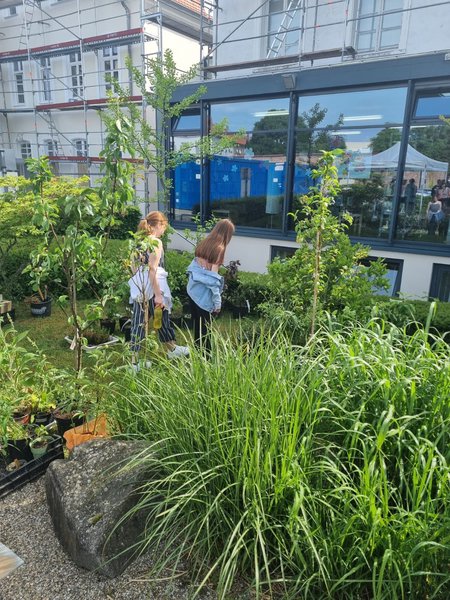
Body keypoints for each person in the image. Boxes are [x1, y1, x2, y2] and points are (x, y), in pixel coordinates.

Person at [129, 211, 189, 367]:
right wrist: (158, 295)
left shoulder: (138, 241)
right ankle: (135, 364)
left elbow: (133, 268)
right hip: (154, 287)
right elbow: (152, 269)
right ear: (159, 225)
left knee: (148, 321)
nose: (164, 231)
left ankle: (170, 349)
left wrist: (139, 284)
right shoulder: (156, 242)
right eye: (164, 227)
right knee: (152, 319)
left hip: (140, 287)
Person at [186, 219, 235, 349]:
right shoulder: (219, 249)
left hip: (193, 291)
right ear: (227, 235)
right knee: (206, 331)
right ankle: (205, 362)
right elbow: (213, 281)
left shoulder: (204, 243)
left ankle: (197, 355)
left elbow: (195, 267)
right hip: (203, 297)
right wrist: (217, 303)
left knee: (197, 327)